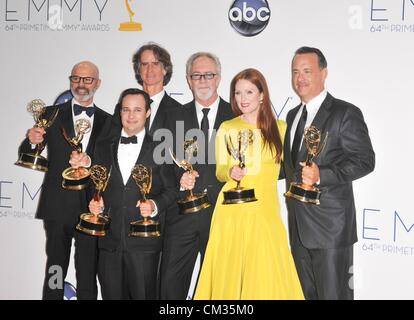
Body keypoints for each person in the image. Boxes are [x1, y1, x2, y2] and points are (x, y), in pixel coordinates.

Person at [194, 68, 304, 300]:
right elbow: (221, 171)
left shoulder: (280, 127)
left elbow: (291, 169)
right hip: (233, 210)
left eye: (249, 92)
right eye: (237, 93)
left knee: (266, 272)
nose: (242, 99)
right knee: (231, 274)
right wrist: (230, 172)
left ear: (262, 95)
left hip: (265, 210)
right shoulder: (228, 127)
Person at [284, 46, 375, 300]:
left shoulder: (345, 112)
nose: (300, 78)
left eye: (307, 71)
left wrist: (321, 175)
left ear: (324, 73)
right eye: (295, 72)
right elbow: (289, 167)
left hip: (330, 230)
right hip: (299, 230)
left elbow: (365, 160)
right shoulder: (292, 116)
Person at [18, 61, 111, 300]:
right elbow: (26, 152)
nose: (81, 84)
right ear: (70, 81)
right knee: (56, 268)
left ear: (97, 84)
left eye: (87, 79)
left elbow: (111, 163)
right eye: (76, 79)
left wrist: (89, 162)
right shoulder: (50, 114)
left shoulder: (110, 121)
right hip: (57, 206)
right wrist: (33, 141)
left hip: (92, 207)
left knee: (88, 270)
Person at [86, 88, 177, 299]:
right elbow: (94, 183)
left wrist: (154, 206)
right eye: (126, 110)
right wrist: (94, 200)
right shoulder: (102, 145)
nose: (131, 116)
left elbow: (172, 190)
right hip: (109, 242)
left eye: (137, 110)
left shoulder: (160, 148)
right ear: (120, 112)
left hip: (144, 245)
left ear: (147, 113)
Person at [160, 52, 234, 299]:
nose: (203, 81)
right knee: (170, 288)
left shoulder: (236, 116)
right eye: (196, 75)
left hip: (222, 216)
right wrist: (178, 181)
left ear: (219, 78)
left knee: (217, 291)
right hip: (182, 215)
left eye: (208, 75)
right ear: (188, 80)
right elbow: (162, 165)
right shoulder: (172, 117)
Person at [132, 42, 182, 136]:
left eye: (155, 64)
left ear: (165, 69)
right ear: (139, 70)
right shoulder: (124, 107)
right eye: (144, 64)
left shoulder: (179, 112)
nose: (149, 69)